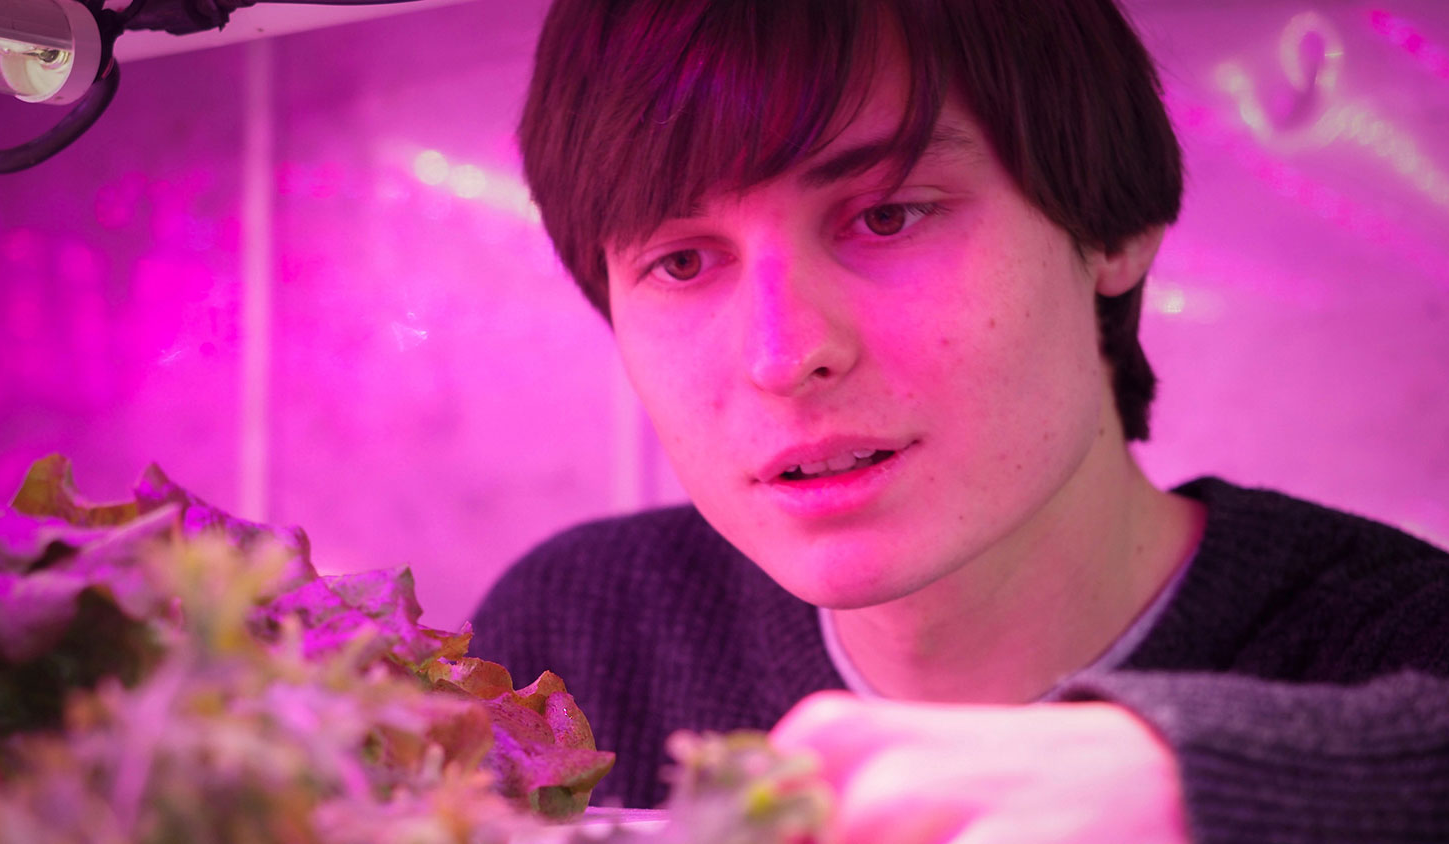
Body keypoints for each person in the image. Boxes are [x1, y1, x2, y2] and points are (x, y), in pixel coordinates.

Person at [470, 0, 1449, 840]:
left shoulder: (1395, 641)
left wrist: (1224, 786)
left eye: (889, 214)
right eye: (682, 262)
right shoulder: (582, 636)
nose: (783, 354)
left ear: (1109, 228)